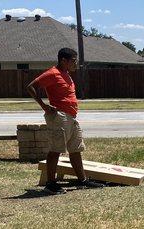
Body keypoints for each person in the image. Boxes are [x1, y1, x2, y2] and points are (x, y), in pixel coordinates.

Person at [26, 48, 104, 195]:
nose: (76, 64)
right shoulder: (52, 73)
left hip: (72, 117)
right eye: (73, 61)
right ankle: (51, 184)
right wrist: (44, 106)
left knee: (75, 149)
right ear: (63, 60)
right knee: (56, 150)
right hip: (59, 117)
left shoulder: (66, 74)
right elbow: (31, 87)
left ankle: (82, 180)